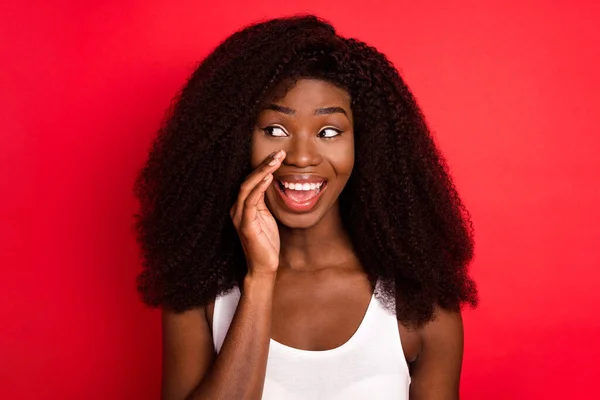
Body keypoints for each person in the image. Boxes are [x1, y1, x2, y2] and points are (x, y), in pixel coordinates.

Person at [133, 14, 478, 400]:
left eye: (329, 132)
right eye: (274, 130)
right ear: (233, 143)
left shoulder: (420, 302)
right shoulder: (197, 293)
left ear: (365, 145)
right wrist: (260, 279)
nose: (300, 156)